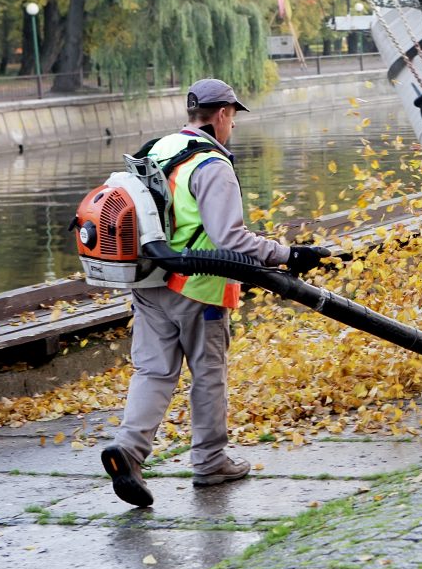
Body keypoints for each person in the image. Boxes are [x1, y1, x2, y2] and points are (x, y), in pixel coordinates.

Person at [101, 78, 329, 507]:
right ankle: (210, 462)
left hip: (149, 282)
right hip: (198, 287)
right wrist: (288, 253)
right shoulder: (212, 166)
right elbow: (232, 240)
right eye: (233, 118)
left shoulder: (158, 148)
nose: (233, 126)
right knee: (207, 374)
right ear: (223, 114)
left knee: (153, 372)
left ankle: (129, 450)